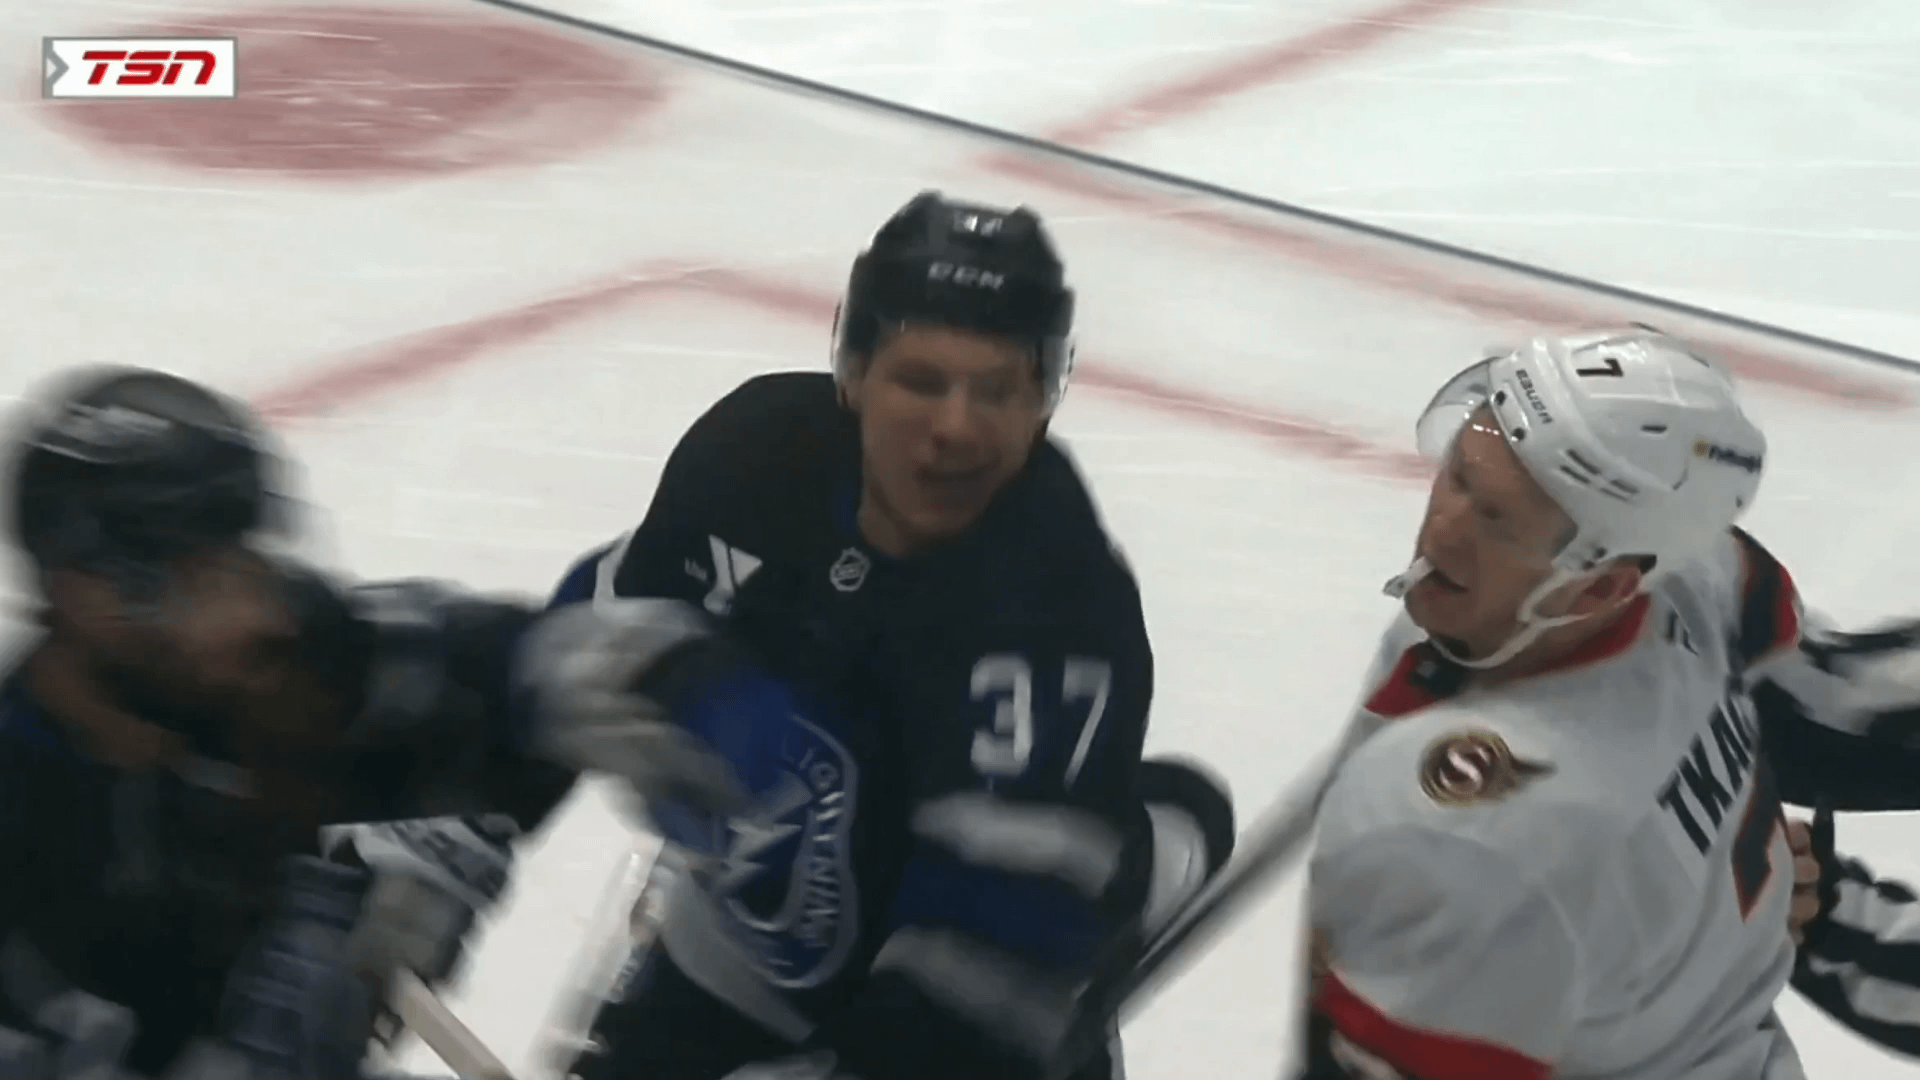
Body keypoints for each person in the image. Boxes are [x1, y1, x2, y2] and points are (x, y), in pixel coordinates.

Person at [525, 190, 1235, 1080]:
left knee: (1038, 891)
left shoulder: (1057, 598)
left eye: (998, 390)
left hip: (961, 1022)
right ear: (853, 371)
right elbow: (586, 641)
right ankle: (1151, 842)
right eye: (922, 381)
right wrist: (450, 834)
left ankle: (1138, 858)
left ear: (1042, 403)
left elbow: (977, 984)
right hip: (742, 957)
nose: (957, 428)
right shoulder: (753, 457)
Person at [0, 365, 741, 1079]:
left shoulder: (264, 666)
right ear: (91, 597)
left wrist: (555, 682)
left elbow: (477, 677)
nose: (260, 610)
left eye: (246, 559)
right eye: (204, 578)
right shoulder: (29, 828)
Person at [1299, 327, 1808, 1079]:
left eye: (1498, 520)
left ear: (1599, 588)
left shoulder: (1482, 842)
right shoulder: (1689, 577)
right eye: (1460, 476)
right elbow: (1809, 696)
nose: (1444, 531)